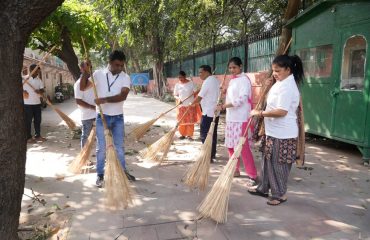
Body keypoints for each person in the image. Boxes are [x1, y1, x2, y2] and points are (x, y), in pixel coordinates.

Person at [249, 55, 303, 206]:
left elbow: (281, 111)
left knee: (279, 165)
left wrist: (260, 113)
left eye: (277, 71)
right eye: (273, 70)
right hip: (273, 131)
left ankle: (280, 195)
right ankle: (263, 188)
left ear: (288, 69)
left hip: (284, 134)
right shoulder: (280, 82)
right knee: (267, 161)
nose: (274, 73)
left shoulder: (288, 87)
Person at [80, 50, 135, 187]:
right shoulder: (98, 74)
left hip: (118, 118)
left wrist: (104, 100)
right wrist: (86, 73)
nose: (119, 68)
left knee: (119, 147)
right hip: (102, 117)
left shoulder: (125, 77)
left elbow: (123, 96)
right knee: (101, 148)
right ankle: (100, 175)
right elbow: (82, 87)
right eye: (117, 65)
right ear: (110, 63)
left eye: (122, 65)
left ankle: (122, 172)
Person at [216, 57, 257, 183]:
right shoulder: (233, 80)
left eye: (234, 67)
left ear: (241, 66)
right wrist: (225, 91)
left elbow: (241, 100)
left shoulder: (244, 80)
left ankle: (253, 175)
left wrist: (223, 106)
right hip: (231, 117)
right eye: (230, 68)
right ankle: (235, 169)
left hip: (241, 118)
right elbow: (232, 95)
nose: (232, 70)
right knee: (230, 145)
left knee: (242, 147)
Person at [192, 65, 220, 163]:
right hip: (215, 112)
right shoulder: (215, 80)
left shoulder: (208, 81)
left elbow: (199, 97)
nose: (199, 74)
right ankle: (212, 153)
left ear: (206, 72)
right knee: (213, 133)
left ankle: (207, 155)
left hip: (208, 112)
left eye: (200, 72)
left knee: (205, 134)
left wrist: (192, 104)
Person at [74, 61, 96, 149]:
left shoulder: (93, 81)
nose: (89, 69)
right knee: (86, 136)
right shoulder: (78, 84)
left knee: (99, 136)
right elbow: (78, 101)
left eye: (90, 67)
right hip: (87, 115)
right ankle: (85, 158)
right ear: (81, 69)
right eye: (87, 67)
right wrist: (92, 107)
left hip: (97, 113)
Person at [23, 64, 46, 143]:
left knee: (38, 120)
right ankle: (28, 137)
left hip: (37, 103)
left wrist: (39, 91)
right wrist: (23, 92)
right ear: (31, 70)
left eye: (38, 71)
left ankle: (38, 136)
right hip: (27, 104)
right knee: (28, 121)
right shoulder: (24, 79)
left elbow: (43, 90)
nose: (37, 73)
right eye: (36, 71)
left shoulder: (39, 80)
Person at [173, 71, 199, 140]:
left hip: (190, 105)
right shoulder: (177, 85)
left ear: (185, 76)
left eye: (181, 77)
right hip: (181, 106)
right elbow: (175, 95)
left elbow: (196, 93)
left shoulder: (191, 83)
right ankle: (183, 134)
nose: (180, 79)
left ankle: (190, 135)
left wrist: (196, 94)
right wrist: (178, 99)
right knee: (182, 120)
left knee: (190, 120)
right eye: (179, 77)